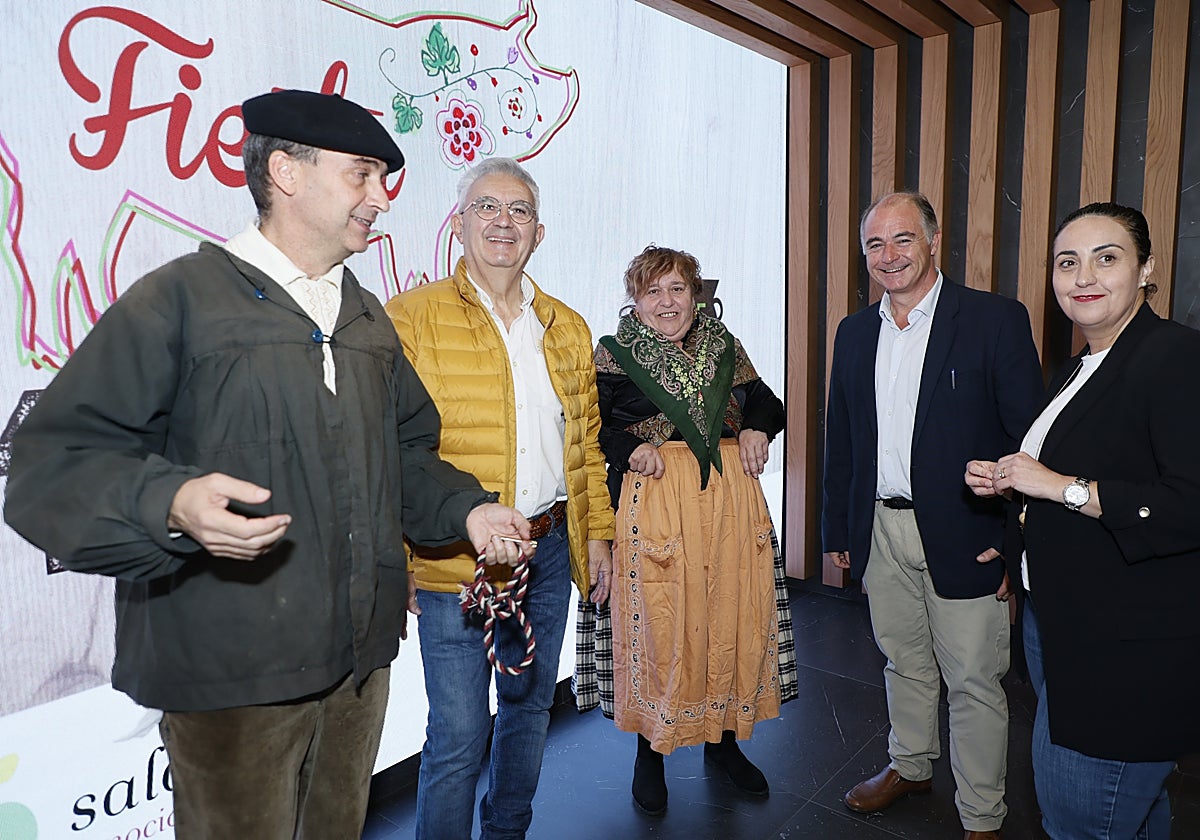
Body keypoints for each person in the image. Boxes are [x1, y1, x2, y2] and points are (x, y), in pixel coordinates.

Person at [2, 89, 534, 840]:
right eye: (363, 174)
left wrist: (468, 510)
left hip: (358, 671)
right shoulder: (182, 301)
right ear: (285, 171)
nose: (383, 198)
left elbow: (407, 454)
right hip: (232, 682)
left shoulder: (365, 319)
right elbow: (50, 465)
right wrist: (171, 503)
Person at [385, 156, 614, 840]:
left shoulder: (567, 328)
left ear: (538, 233)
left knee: (528, 711)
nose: (502, 222)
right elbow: (392, 452)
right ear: (459, 225)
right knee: (456, 736)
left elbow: (587, 448)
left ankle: (507, 831)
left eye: (518, 210)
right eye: (486, 207)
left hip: (545, 555)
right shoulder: (411, 318)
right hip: (455, 560)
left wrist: (595, 533)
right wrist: (396, 555)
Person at [965, 202, 1200, 839]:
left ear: (1146, 269)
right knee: (1136, 811)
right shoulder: (1085, 362)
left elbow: (1185, 505)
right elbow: (1098, 471)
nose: (1083, 275)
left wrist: (1055, 485)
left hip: (1123, 647)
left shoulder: (1175, 356)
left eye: (1108, 257)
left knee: (1080, 820)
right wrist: (1013, 497)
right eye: (1068, 262)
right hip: (1062, 618)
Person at [822, 191, 1043, 840]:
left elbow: (1026, 441)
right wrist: (839, 528)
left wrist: (1013, 540)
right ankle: (910, 765)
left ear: (933, 241)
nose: (888, 256)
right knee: (902, 660)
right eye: (874, 245)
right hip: (881, 530)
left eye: (902, 240)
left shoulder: (994, 321)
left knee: (974, 680)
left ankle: (981, 817)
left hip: (966, 532)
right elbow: (844, 436)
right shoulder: (855, 331)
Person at [588, 244, 797, 816]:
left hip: (728, 500)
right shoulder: (612, 354)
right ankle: (648, 753)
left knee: (727, 613)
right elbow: (594, 431)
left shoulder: (724, 345)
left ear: (695, 293)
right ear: (635, 300)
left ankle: (724, 742)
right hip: (653, 499)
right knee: (660, 624)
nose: (667, 301)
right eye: (652, 291)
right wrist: (631, 449)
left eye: (677, 288)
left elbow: (767, 403)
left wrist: (757, 429)